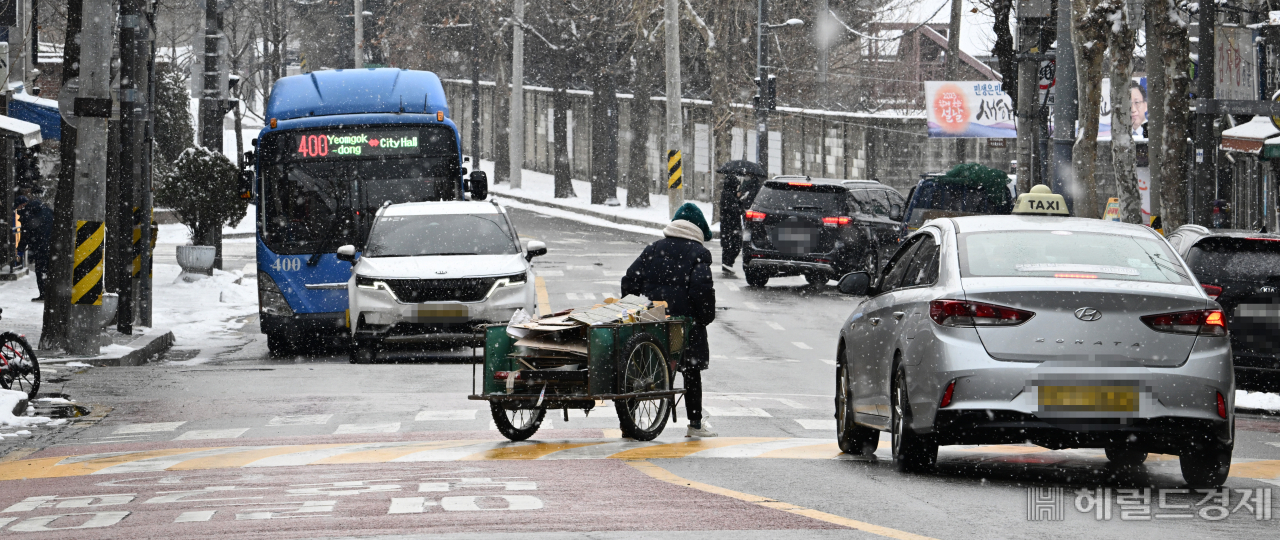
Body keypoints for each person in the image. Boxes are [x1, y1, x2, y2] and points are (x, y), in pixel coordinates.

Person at [621, 202, 718, 437]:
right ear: (697, 230)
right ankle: (695, 424)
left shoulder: (653, 249)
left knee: (640, 368)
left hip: (651, 322)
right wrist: (703, 318)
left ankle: (628, 424)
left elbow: (629, 281)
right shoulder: (699, 254)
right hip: (683, 326)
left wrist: (637, 308)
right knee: (690, 372)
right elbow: (702, 291)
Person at [15, 196, 52, 302]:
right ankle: (52, 294)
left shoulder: (28, 214)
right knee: (51, 270)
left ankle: (44, 294)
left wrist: (20, 250)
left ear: (22, 205)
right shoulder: (45, 208)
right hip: (53, 245)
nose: (17, 211)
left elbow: (25, 235)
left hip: (40, 246)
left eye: (17, 208)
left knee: (40, 270)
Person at [719, 174, 743, 275]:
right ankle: (727, 263)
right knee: (735, 245)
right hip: (732, 225)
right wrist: (739, 203)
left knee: (728, 245)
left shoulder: (728, 194)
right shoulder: (728, 195)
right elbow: (735, 210)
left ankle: (727, 263)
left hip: (728, 225)